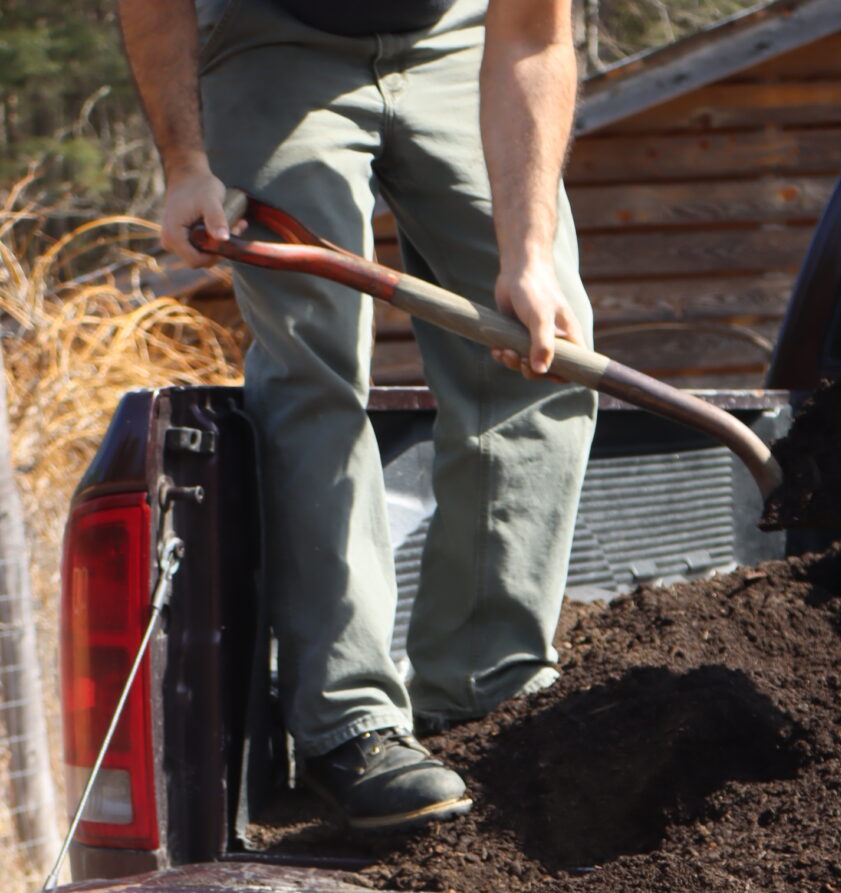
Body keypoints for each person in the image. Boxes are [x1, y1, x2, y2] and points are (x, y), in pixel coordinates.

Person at [117, 0, 596, 832]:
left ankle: (485, 694)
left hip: (464, 39)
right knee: (313, 361)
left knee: (542, 345)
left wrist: (526, 252)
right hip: (277, 40)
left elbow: (531, 37)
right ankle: (352, 725)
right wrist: (187, 163)